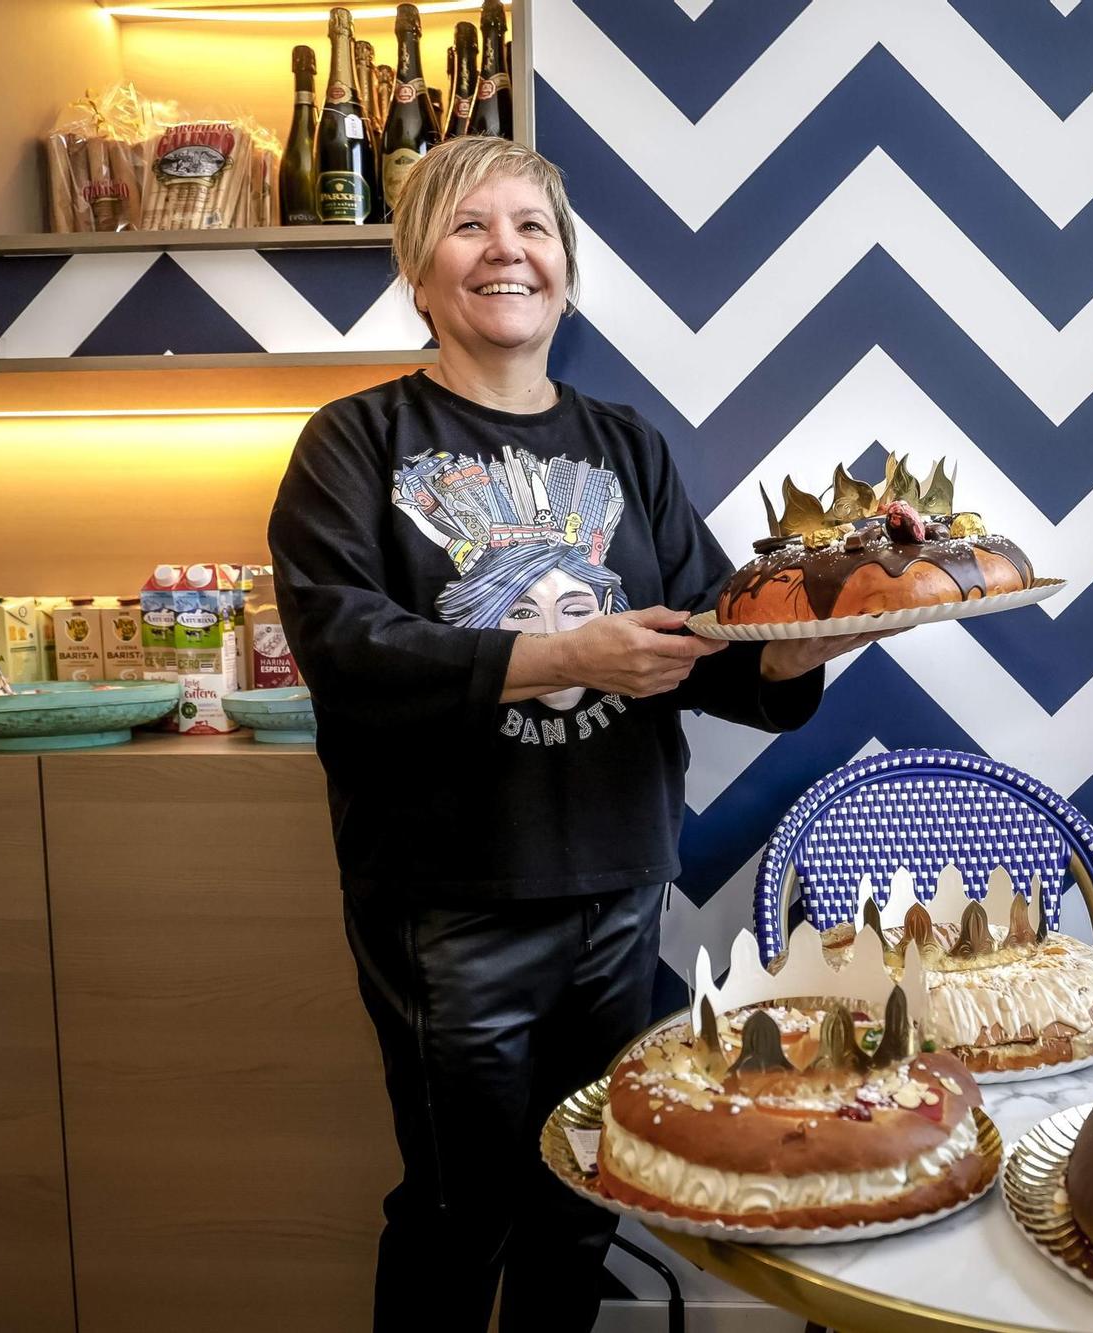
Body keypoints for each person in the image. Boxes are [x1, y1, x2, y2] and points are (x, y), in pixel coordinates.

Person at [268, 136, 882, 1332]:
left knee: (582, 1196)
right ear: (418, 270)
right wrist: (556, 654)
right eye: (470, 227)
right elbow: (343, 650)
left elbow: (709, 645)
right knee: (462, 1210)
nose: (507, 250)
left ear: (567, 269)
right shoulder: (354, 445)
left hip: (616, 882)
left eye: (532, 228)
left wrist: (811, 638)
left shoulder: (625, 445)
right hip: (449, 900)